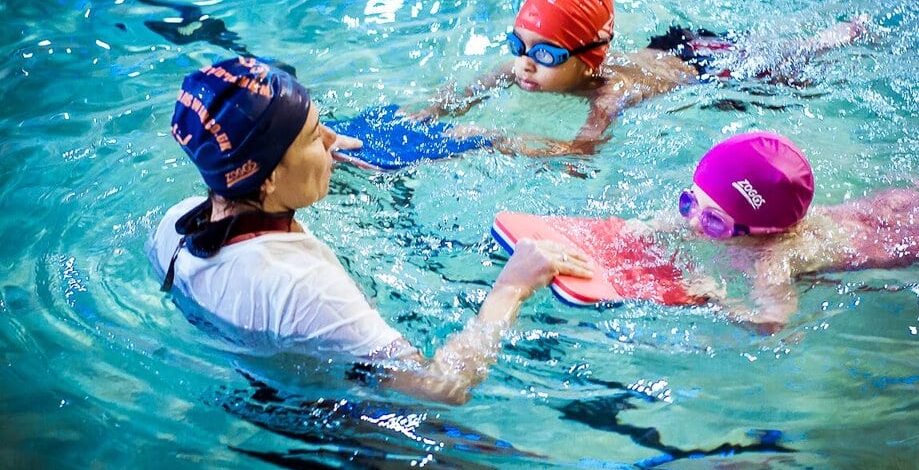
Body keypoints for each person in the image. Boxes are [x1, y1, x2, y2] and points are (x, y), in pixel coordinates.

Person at [147, 56, 592, 405]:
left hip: (254, 393)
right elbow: (441, 387)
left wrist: (308, 158)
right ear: (266, 177)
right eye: (312, 137)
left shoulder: (174, 226)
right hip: (339, 420)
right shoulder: (305, 285)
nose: (332, 140)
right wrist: (512, 286)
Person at [409, 0, 867, 157]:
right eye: (517, 45)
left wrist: (497, 140)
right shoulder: (524, 65)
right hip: (665, 45)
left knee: (789, 67)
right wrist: (429, 114)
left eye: (545, 54)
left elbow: (580, 155)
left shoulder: (610, 96)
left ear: (587, 61)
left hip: (707, 73)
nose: (524, 65)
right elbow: (473, 86)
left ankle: (840, 36)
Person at [643, 131, 919, 333]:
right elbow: (671, 222)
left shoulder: (773, 258)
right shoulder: (743, 218)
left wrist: (719, 300)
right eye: (688, 203)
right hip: (896, 202)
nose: (693, 222)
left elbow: (775, 321)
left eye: (713, 222)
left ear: (759, 230)